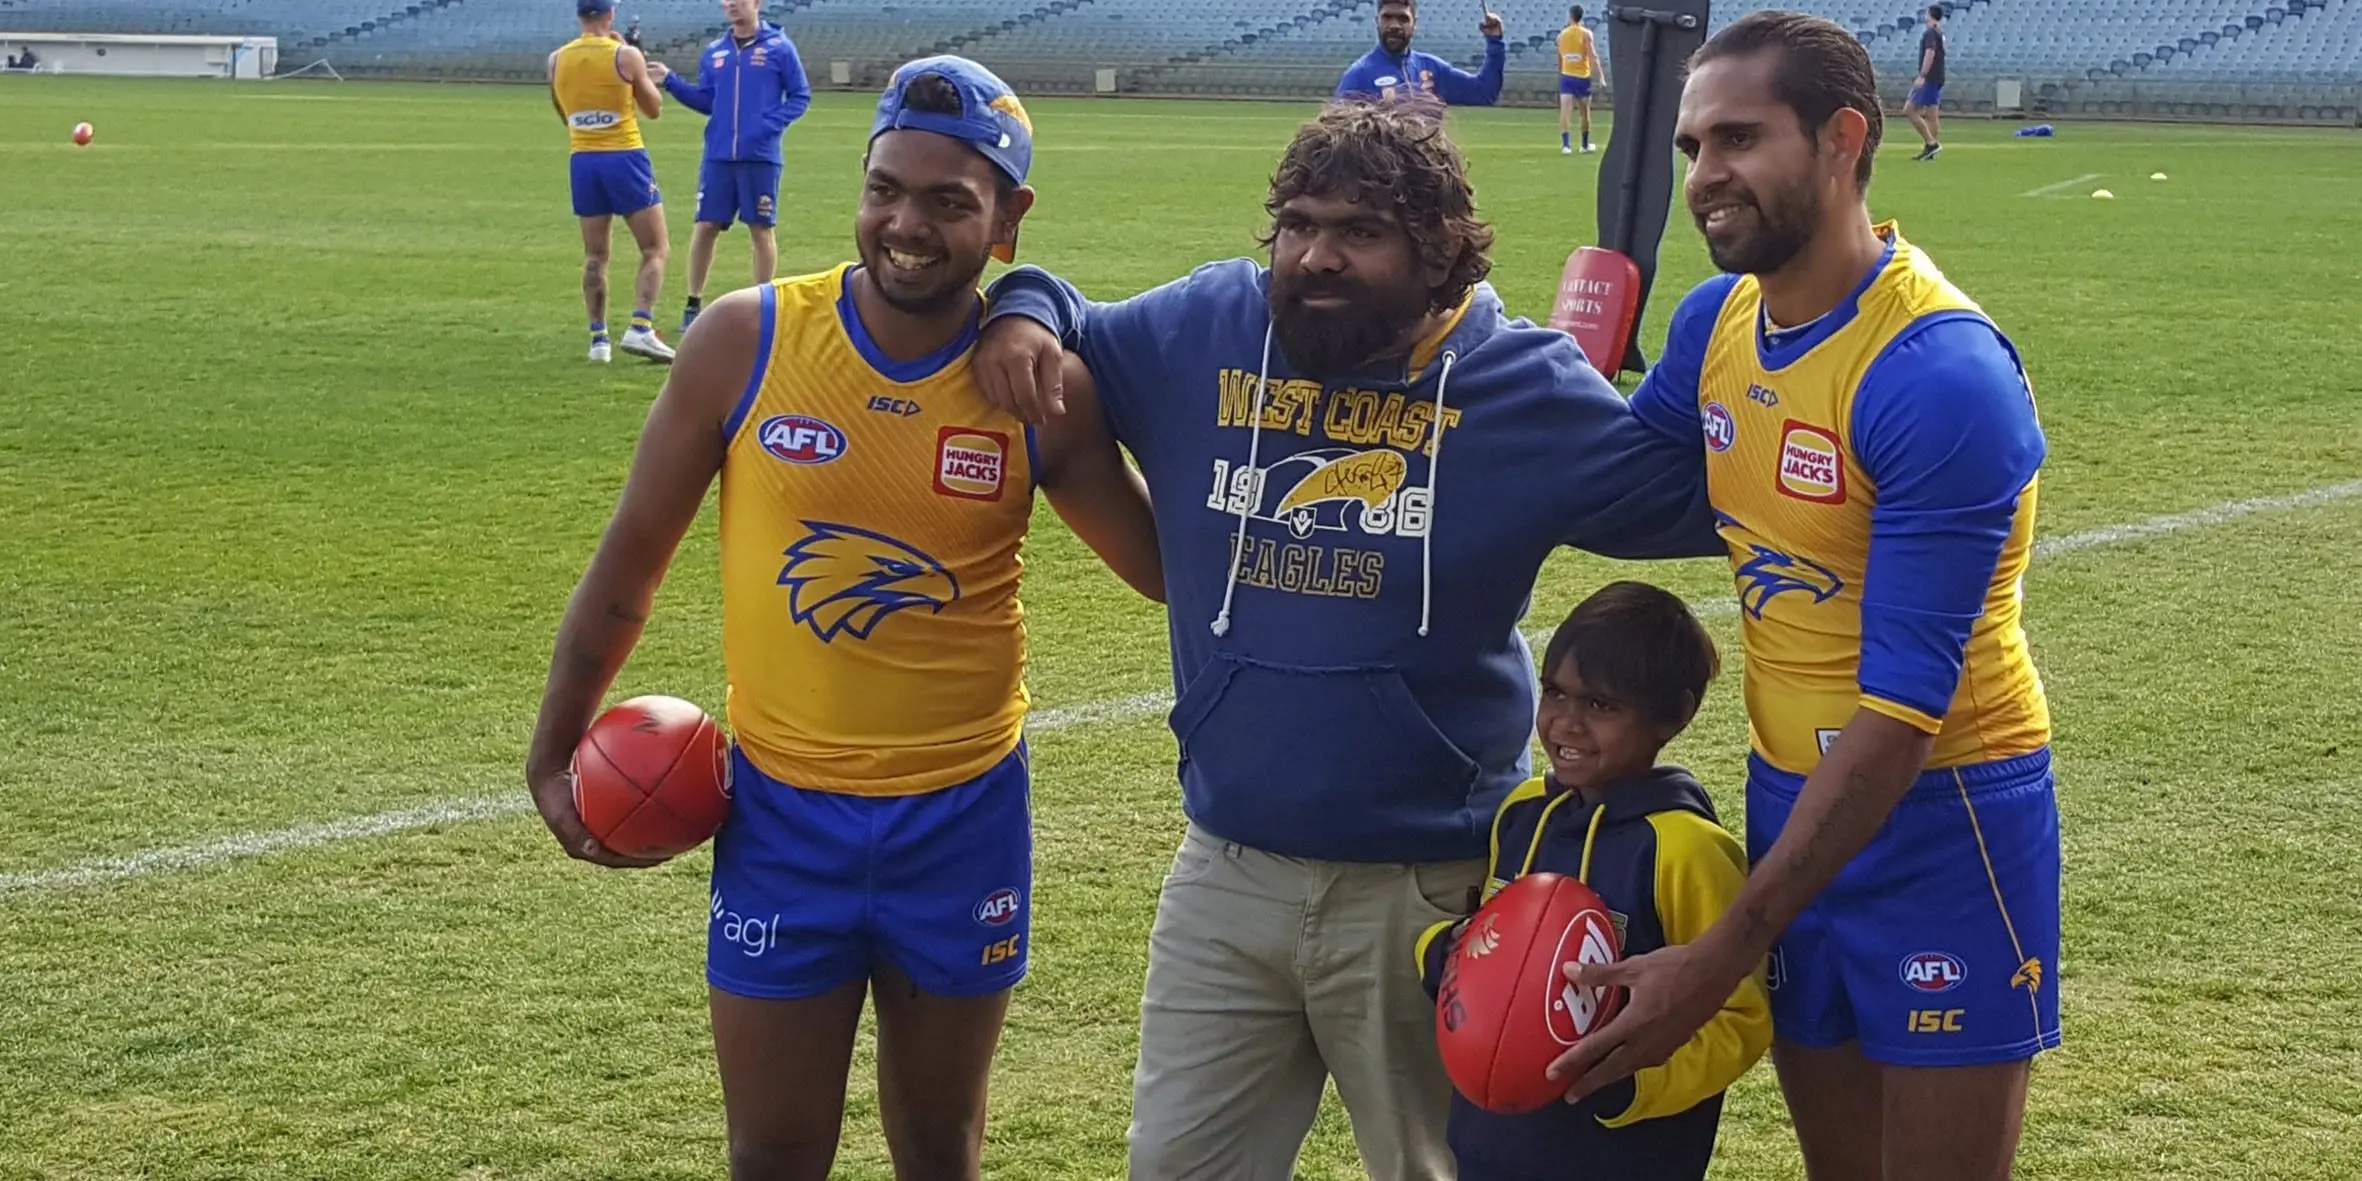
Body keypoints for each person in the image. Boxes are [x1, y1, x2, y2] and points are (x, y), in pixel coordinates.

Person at [968, 100, 1721, 1180]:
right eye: (1299, 224)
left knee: (1437, 1168)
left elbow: (1708, 495)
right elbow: (1064, 320)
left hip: (1432, 889)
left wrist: (1733, 344)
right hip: (1226, 870)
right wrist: (1023, 309)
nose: (1316, 255)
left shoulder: (1522, 388)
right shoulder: (1211, 325)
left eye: (1359, 231)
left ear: (1439, 255)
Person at [522, 55, 1162, 1181]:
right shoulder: (744, 340)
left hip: (962, 814)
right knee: (772, 1149)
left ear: (1008, 221)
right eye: (885, 190)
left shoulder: (1036, 385)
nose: (905, 226)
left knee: (937, 1143)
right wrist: (548, 751)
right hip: (779, 818)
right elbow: (629, 566)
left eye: (949, 201)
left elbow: (1165, 571)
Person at [1548, 13, 2057, 1181]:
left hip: (1943, 811)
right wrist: (1497, 376)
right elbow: (1617, 485)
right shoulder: (1716, 321)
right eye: (1688, 148)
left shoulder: (1938, 376)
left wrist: (1720, 949)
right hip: (1788, 793)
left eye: (1737, 138)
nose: (1705, 177)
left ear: (1841, 139)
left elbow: (1899, 710)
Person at [1416, 581, 1770, 1181]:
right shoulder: (1523, 814)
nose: (1566, 723)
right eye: (1555, 693)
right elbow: (1487, 940)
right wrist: (1442, 952)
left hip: (1621, 1157)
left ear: (1674, 715)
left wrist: (1631, 1084)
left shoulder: (1686, 850)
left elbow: (1739, 1017)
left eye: (1601, 705)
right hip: (1491, 1148)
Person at [650, 0, 813, 334]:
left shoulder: (779, 47)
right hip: (719, 156)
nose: (731, 7)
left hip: (760, 157)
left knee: (760, 229)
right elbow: (707, 101)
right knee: (705, 226)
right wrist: (671, 81)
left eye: (738, 2)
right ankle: (693, 304)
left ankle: (763, 306)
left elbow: (800, 95)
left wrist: (770, 125)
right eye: (727, 2)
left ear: (756, 3)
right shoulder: (715, 52)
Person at [549, 0, 675, 364]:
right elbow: (653, 108)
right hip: (624, 155)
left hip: (583, 159)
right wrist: (637, 65)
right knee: (655, 248)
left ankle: (598, 339)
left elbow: (564, 113)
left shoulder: (557, 59)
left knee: (595, 255)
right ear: (610, 15)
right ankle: (640, 326)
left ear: (579, 16)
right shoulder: (625, 55)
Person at [1336, 0, 1506, 108]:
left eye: (1403, 19)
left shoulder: (1431, 68)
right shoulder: (1359, 75)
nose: (1394, 25)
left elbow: (1484, 93)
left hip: (1427, 165)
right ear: (1377, 22)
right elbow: (1335, 136)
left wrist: (1495, 43)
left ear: (1414, 24)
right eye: (1387, 18)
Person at [1557, 6, 1603, 154]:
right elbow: (1592, 56)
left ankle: (1566, 145)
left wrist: (1562, 72)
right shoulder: (1586, 34)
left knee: (1565, 111)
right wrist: (1601, 76)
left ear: (1570, 16)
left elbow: (1560, 57)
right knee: (1584, 112)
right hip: (1582, 77)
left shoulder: (1561, 35)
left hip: (1567, 76)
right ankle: (1584, 145)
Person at [1906, 4, 1946, 160]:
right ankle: (1931, 149)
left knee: (1909, 110)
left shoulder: (1930, 33)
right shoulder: (1939, 32)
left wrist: (1922, 75)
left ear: (1929, 14)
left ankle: (1931, 144)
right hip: (1938, 76)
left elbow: (1930, 53)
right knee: (1931, 114)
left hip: (1930, 78)